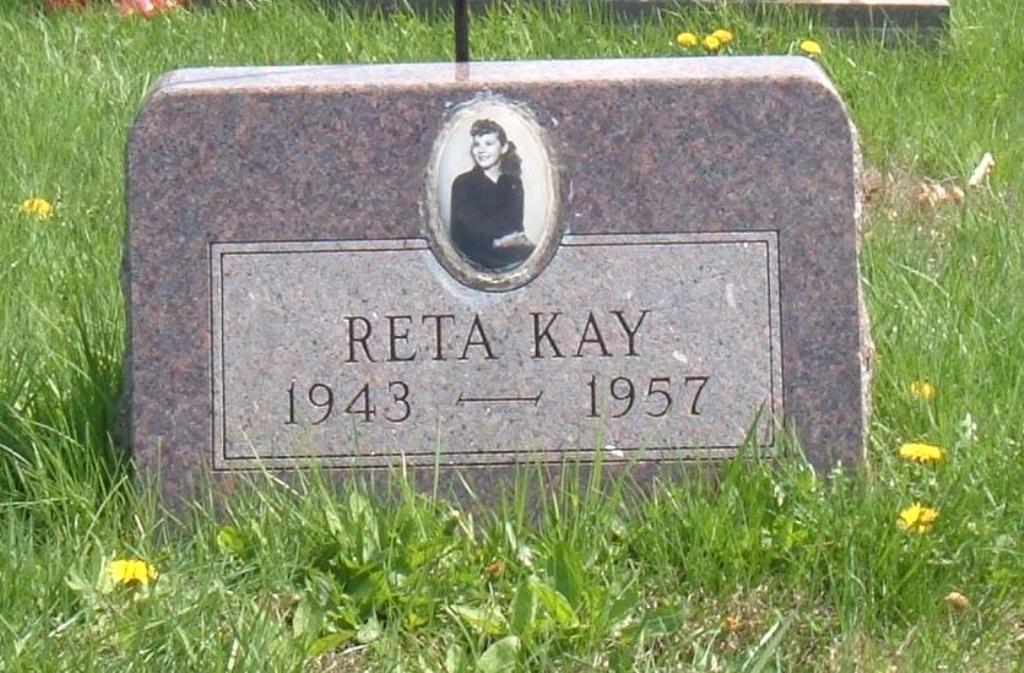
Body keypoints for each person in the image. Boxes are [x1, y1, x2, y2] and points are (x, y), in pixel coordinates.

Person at [449, 119, 534, 270]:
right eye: (477, 144)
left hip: (511, 260)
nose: (481, 150)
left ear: (504, 148)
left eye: (489, 144)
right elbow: (462, 237)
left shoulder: (513, 183)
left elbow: (516, 228)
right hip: (476, 262)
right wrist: (499, 242)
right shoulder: (463, 183)